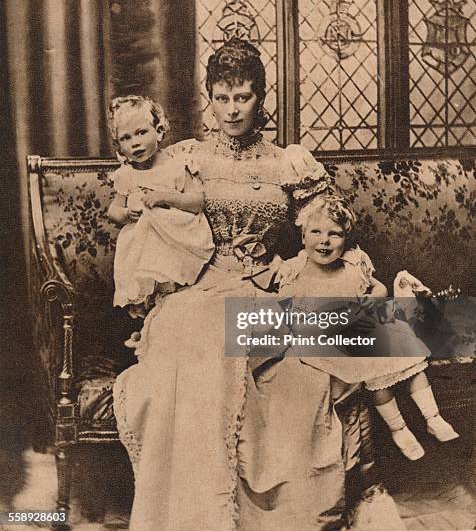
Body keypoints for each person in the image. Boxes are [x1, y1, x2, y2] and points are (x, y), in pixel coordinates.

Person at [112, 39, 390, 530]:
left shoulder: (288, 162)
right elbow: (138, 207)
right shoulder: (187, 157)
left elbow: (330, 225)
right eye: (222, 98)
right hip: (203, 283)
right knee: (192, 336)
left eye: (242, 97)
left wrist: (298, 258)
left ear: (261, 98)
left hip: (265, 285)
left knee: (296, 370)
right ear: (209, 99)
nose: (232, 109)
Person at [278, 194, 459, 461]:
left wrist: (370, 300)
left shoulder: (352, 263)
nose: (324, 240)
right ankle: (398, 428)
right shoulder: (296, 269)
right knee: (372, 367)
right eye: (315, 232)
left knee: (405, 352)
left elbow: (378, 287)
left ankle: (432, 417)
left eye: (334, 234)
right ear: (303, 236)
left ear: (345, 240)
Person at [107, 95, 214, 317]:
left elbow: (197, 202)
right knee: (146, 294)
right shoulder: (126, 175)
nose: (135, 142)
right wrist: (126, 213)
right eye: (126, 138)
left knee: (174, 297)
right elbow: (113, 211)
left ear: (159, 131)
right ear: (118, 145)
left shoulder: (176, 166)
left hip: (175, 242)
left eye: (141, 132)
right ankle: (147, 326)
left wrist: (165, 197)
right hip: (141, 248)